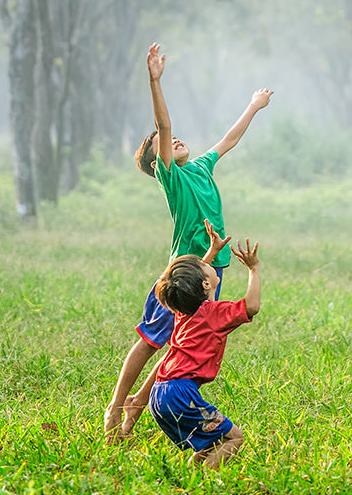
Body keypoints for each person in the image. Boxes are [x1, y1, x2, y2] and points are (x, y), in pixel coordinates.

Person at [104, 42, 273, 441]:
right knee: (150, 340)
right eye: (163, 143)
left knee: (181, 347)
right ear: (155, 161)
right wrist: (154, 80)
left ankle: (132, 418)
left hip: (211, 270)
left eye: (176, 138)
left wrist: (253, 106)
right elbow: (163, 125)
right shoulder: (172, 177)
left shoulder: (199, 166)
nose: (174, 139)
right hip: (183, 272)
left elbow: (228, 140)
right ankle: (116, 407)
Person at [149, 235, 262, 469]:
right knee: (234, 438)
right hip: (181, 394)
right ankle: (203, 484)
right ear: (206, 284)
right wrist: (254, 268)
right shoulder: (215, 314)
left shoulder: (183, 311)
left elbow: (188, 283)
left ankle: (189, 477)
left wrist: (211, 252)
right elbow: (251, 306)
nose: (207, 263)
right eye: (205, 265)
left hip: (158, 393)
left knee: (209, 444)